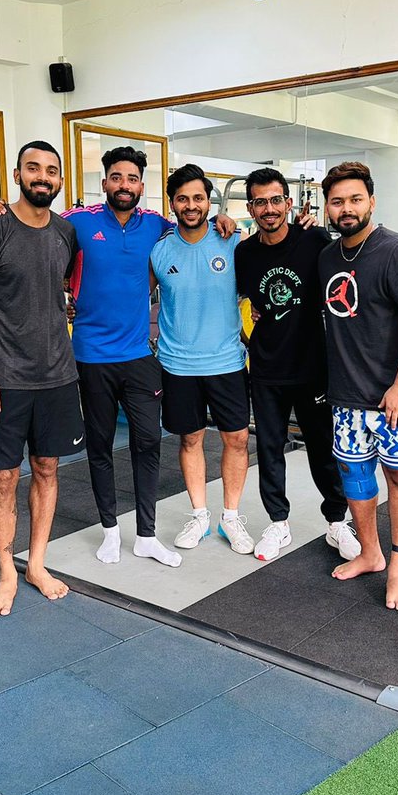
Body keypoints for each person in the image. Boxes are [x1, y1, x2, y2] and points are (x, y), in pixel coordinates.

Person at [0, 146, 237, 568]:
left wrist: (222, 220)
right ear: (104, 183)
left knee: (148, 443)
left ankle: (147, 535)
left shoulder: (155, 225)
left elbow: (193, 223)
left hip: (138, 355)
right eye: (116, 177)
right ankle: (110, 532)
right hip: (88, 356)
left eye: (132, 179)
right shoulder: (76, 223)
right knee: (99, 446)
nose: (124, 185)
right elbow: (34, 228)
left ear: (141, 186)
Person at [0, 140, 83, 616]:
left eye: (51, 170)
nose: (43, 177)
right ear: (17, 175)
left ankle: (37, 563)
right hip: (4, 379)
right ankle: (7, 572)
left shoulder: (65, 232)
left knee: (48, 470)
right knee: (4, 477)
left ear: (60, 181)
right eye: (33, 168)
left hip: (56, 375)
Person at [317, 161, 398, 611]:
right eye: (337, 201)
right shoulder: (329, 257)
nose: (346, 209)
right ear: (327, 207)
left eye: (354, 199)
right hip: (348, 395)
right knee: (355, 477)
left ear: (371, 201)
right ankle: (370, 553)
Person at [234, 167, 360, 563]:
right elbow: (246, 301)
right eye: (259, 202)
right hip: (267, 367)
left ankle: (337, 521)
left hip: (313, 367)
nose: (268, 209)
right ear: (251, 208)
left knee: (323, 449)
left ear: (288, 203)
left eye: (275, 200)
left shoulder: (316, 240)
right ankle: (278, 522)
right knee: (269, 448)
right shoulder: (245, 252)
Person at [150, 164, 253, 555]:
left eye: (198, 198)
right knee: (190, 438)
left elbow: (260, 279)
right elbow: (134, 295)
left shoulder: (232, 240)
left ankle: (231, 515)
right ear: (172, 203)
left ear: (209, 201)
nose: (191, 205)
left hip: (226, 361)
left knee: (237, 439)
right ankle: (199, 515)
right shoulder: (160, 249)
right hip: (178, 364)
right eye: (183, 199)